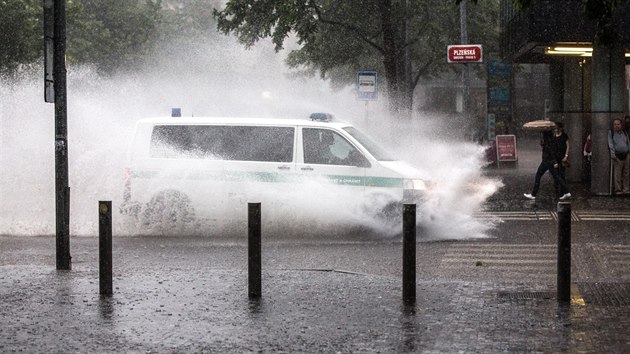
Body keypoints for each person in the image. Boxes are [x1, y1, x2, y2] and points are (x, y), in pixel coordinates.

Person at [524, 121, 571, 200]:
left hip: (547, 161)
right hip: (548, 161)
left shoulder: (548, 140)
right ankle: (566, 192)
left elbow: (551, 151)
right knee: (557, 177)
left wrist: (555, 162)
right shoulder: (549, 139)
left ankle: (533, 194)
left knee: (540, 176)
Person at [607, 117, 630, 195]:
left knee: (626, 173)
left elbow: (628, 142)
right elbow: (610, 144)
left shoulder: (624, 132)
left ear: (621, 125)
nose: (616, 126)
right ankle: (618, 190)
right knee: (618, 173)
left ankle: (626, 189)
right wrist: (612, 153)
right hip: (617, 155)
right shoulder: (611, 132)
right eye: (615, 124)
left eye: (618, 124)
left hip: (626, 155)